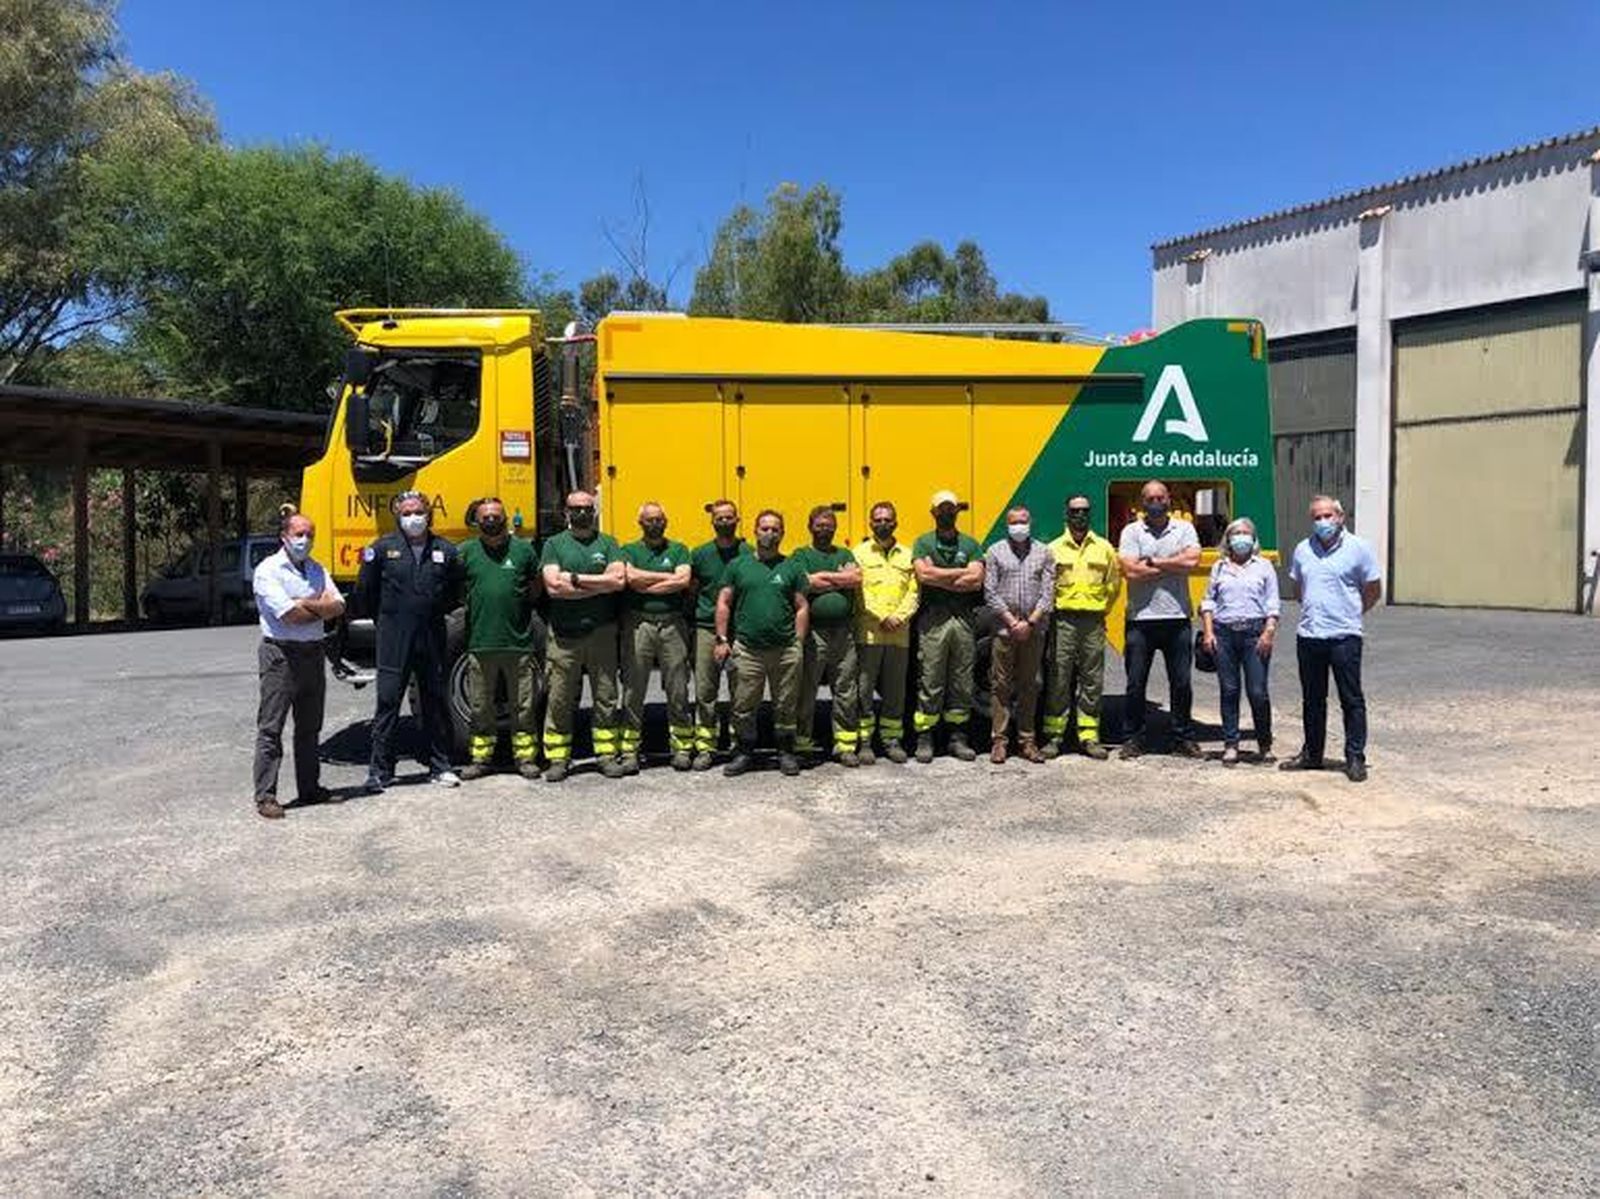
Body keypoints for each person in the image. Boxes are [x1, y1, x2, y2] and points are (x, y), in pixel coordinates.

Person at [358, 491, 464, 793]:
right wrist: (388, 621)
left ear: (428, 515)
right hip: (394, 637)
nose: (413, 518)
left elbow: (455, 591)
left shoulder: (446, 550)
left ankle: (440, 766)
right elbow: (366, 592)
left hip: (431, 636)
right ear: (397, 516)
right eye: (406, 513)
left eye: (418, 512)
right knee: (388, 701)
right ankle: (380, 771)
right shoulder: (381, 549)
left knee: (435, 702)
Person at [1281, 495, 1382, 782]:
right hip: (1310, 635)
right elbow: (1299, 589)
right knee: (1313, 699)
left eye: (1328, 516)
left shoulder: (1359, 548)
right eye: (1317, 517)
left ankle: (1355, 757)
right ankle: (1313, 754)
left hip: (1344, 636)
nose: (1323, 522)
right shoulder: (1303, 549)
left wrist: (1352, 612)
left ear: (1340, 517)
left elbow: (1373, 589)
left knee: (1351, 699)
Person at [251, 511, 345, 819]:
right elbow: (290, 616)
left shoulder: (317, 569)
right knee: (271, 728)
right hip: (280, 655)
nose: (305, 540)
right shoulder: (268, 570)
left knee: (309, 727)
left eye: (310, 535)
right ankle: (266, 796)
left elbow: (339, 606)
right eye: (299, 534)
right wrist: (320, 605)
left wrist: (306, 603)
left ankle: (309, 788)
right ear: (284, 537)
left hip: (313, 653)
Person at [539, 490, 626, 782]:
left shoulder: (608, 543)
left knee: (606, 697)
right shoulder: (554, 544)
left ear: (595, 511)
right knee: (559, 699)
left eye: (587, 508)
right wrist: (599, 585)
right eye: (576, 508)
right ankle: (558, 759)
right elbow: (553, 587)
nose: (582, 513)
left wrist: (575, 579)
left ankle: (606, 755)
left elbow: (618, 581)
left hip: (602, 633)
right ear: (566, 512)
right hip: (564, 637)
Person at [715, 509, 809, 777]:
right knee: (743, 705)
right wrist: (722, 639)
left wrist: (798, 643)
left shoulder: (792, 567)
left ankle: (786, 752)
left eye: (775, 529)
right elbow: (724, 602)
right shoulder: (738, 566)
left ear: (783, 533)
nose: (770, 534)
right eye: (765, 528)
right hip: (748, 650)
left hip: (785, 650)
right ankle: (744, 752)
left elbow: (802, 607)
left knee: (786, 705)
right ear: (755, 531)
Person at [457, 498, 542, 781]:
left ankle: (525, 758)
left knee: (524, 706)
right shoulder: (466, 552)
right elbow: (457, 588)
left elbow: (535, 587)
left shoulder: (523, 550)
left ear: (505, 519)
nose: (491, 521)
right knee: (480, 707)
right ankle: (481, 759)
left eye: (496, 516)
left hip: (518, 644)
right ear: (477, 521)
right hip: (480, 644)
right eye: (486, 517)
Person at [1117, 479, 1202, 758]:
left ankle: (1182, 738)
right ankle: (1133, 738)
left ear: (1169, 499)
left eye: (1160, 497)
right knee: (1135, 683)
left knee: (1181, 683)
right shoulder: (1131, 531)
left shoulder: (1184, 528)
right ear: (1142, 502)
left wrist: (1153, 562)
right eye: (1150, 499)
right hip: (1140, 619)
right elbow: (1131, 571)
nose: (1156, 503)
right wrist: (1173, 565)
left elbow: (1193, 561)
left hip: (1177, 617)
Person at [1043, 495, 1120, 760]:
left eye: (1084, 511)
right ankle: (1054, 736)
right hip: (1062, 620)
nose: (1080, 515)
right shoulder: (1053, 549)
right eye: (1075, 511)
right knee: (1059, 677)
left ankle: (1089, 736)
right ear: (1066, 514)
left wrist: (1101, 610)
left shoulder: (1104, 548)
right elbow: (1046, 587)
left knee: (1092, 679)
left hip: (1093, 621)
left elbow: (1113, 585)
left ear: (1090, 515)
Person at [619, 502, 694, 772]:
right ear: (640, 523)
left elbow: (683, 580)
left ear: (666, 521)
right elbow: (630, 578)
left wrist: (646, 584)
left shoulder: (679, 549)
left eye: (659, 519)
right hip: (639, 624)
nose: (655, 524)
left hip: (672, 624)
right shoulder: (629, 550)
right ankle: (630, 750)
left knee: (678, 688)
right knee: (633, 688)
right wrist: (666, 578)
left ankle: (682, 748)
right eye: (649, 520)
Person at [910, 490, 984, 763]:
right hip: (934, 619)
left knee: (961, 680)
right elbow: (923, 575)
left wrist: (939, 575)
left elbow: (976, 580)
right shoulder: (923, 542)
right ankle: (925, 737)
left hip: (963, 619)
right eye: (941, 509)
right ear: (933, 513)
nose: (946, 513)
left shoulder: (971, 543)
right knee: (931, 679)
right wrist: (959, 574)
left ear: (957, 512)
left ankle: (958, 738)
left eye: (950, 509)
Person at [1199, 516, 1279, 766]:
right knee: (1229, 690)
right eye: (1236, 534)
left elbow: (1272, 603)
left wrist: (1269, 632)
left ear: (1253, 539)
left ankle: (1264, 744)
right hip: (1224, 633)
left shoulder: (1264, 566)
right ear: (1228, 539)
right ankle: (1231, 744)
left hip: (1255, 634)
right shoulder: (1219, 567)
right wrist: (1208, 633)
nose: (1241, 538)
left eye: (1246, 533)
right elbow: (1208, 602)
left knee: (1258, 692)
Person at [983, 506, 1056, 764]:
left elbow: (1048, 593)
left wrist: (1030, 622)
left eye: (1023, 521)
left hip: (1034, 631)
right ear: (1007, 525)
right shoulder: (995, 552)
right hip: (1004, 630)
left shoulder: (1044, 552)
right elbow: (990, 592)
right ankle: (999, 742)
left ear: (1030, 522)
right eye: (1014, 522)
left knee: (1030, 686)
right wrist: (1013, 622)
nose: (1019, 527)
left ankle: (1027, 741)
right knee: (1000, 686)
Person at [791, 506, 863, 766]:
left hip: (844, 632)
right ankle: (802, 742)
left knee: (846, 688)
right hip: (815, 633)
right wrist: (839, 579)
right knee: (806, 688)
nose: (825, 530)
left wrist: (824, 578)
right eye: (820, 525)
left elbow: (856, 578)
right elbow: (805, 582)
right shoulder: (801, 554)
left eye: (829, 525)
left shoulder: (844, 553)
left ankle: (845, 744)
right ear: (810, 527)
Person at [855, 501, 919, 764]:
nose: (883, 524)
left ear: (896, 523)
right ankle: (864, 742)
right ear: (870, 523)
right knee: (864, 690)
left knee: (895, 692)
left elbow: (914, 591)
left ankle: (892, 740)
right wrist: (883, 616)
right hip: (869, 633)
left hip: (898, 635)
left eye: (887, 520)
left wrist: (899, 617)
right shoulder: (859, 554)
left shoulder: (908, 555)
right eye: (878, 519)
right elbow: (859, 592)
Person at [688, 500, 751, 770]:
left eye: (729, 517)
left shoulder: (748, 552)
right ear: (712, 521)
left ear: (738, 520)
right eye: (719, 518)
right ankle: (706, 747)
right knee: (705, 691)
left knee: (741, 692)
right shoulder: (700, 554)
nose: (724, 522)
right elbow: (692, 590)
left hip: (740, 630)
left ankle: (739, 745)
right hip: (706, 629)